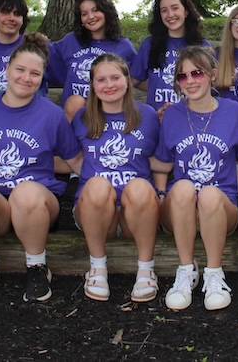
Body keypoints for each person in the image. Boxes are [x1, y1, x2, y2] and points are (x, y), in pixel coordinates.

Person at [0, 33, 82, 303]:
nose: (26, 78)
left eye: (35, 73)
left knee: (26, 192)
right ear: (7, 70)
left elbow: (76, 161)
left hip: (39, 204)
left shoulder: (51, 114)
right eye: (20, 70)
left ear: (42, 78)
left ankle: (37, 266)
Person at [153, 46, 238, 311]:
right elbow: (162, 163)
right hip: (182, 209)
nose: (190, 81)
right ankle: (185, 271)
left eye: (197, 73)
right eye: (182, 76)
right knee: (182, 187)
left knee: (209, 193)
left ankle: (214, 274)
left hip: (221, 207)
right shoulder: (172, 114)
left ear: (213, 75)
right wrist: (159, 192)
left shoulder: (233, 111)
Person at [71, 53, 161, 302]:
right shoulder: (81, 118)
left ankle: (146, 270)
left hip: (136, 210)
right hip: (96, 211)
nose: (109, 85)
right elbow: (71, 157)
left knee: (140, 187)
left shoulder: (148, 116)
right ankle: (98, 268)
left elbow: (156, 158)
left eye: (115, 77)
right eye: (101, 79)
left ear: (127, 80)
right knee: (98, 185)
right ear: (92, 85)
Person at [49, 0, 137, 121]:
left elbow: (137, 76)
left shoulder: (123, 46)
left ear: (106, 12)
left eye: (95, 10)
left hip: (107, 117)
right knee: (75, 102)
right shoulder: (70, 41)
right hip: (74, 115)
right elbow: (45, 58)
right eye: (84, 13)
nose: (90, 17)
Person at [132, 0, 210, 110]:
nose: (170, 15)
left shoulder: (202, 46)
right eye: (164, 10)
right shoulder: (149, 44)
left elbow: (212, 85)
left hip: (192, 121)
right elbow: (133, 80)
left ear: (186, 11)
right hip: (158, 121)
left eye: (175, 8)